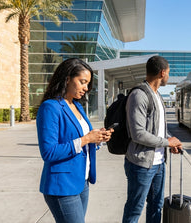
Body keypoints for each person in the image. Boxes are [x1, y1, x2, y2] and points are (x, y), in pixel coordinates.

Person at [36, 58, 113, 223]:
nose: (86, 88)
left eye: (88, 84)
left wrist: (96, 138)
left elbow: (82, 140)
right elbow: (48, 152)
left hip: (81, 181)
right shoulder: (50, 107)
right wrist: (86, 139)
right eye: (83, 82)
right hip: (62, 186)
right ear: (67, 78)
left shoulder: (76, 106)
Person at [122, 56, 183, 223]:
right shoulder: (139, 95)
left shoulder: (158, 96)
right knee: (135, 209)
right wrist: (166, 142)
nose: (168, 76)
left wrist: (170, 142)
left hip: (159, 164)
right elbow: (138, 134)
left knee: (156, 206)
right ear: (162, 73)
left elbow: (158, 130)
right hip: (140, 164)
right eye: (168, 73)